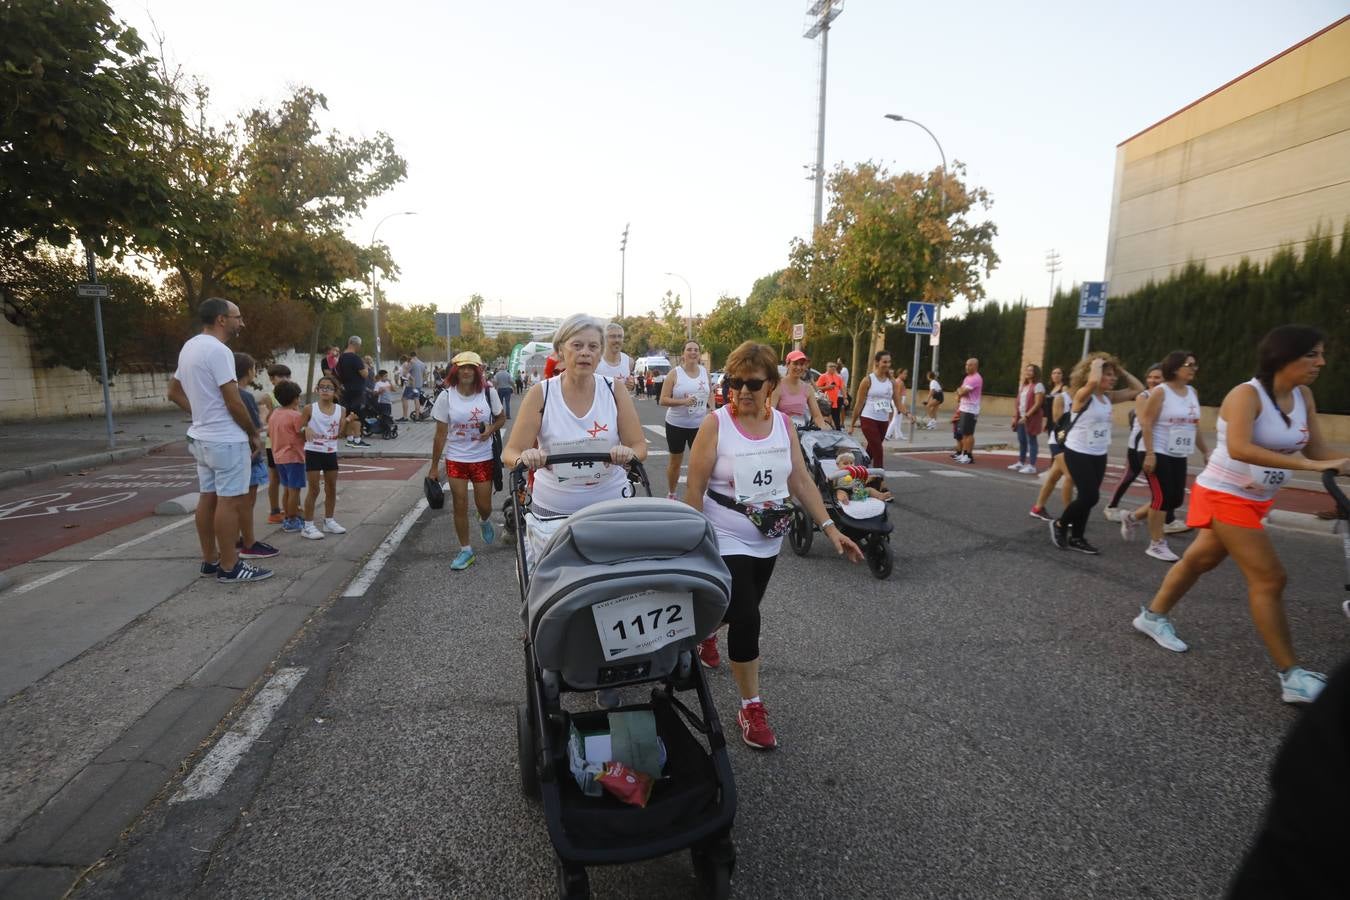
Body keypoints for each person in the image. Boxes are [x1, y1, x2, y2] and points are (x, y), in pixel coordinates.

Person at [1131, 326, 1348, 704]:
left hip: (1256, 497)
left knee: (1201, 559)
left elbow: (1319, 451)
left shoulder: (1303, 396)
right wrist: (1311, 468)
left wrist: (1339, 464)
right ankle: (1292, 676)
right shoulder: (1245, 395)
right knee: (1270, 578)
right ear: (1284, 356)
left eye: (1321, 354)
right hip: (1222, 493)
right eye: (1312, 354)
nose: (1321, 362)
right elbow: (1240, 448)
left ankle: (1152, 615)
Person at [685, 341, 863, 749]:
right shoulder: (716, 424)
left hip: (769, 536)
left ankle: (708, 631)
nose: (743, 391)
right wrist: (689, 544)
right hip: (724, 533)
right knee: (747, 617)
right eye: (735, 382)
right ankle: (751, 706)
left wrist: (830, 527)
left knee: (738, 609)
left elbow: (798, 479)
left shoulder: (783, 424)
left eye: (753, 383)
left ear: (770, 384)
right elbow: (694, 489)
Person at [503, 314, 649, 708]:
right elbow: (510, 453)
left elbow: (639, 447)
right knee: (561, 590)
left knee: (612, 588)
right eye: (578, 346)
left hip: (608, 503)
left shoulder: (613, 389)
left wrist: (626, 452)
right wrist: (528, 455)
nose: (585, 353)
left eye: (593, 347)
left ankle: (609, 668)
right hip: (555, 508)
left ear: (602, 353)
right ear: (561, 351)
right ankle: (554, 645)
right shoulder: (541, 394)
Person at [165, 298, 272, 583]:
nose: (242, 322)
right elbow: (233, 401)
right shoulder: (219, 351)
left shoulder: (190, 346)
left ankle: (210, 560)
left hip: (201, 437)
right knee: (231, 501)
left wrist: (199, 413)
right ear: (222, 319)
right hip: (226, 439)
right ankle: (230, 566)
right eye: (238, 317)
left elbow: (173, 391)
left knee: (208, 497)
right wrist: (252, 432)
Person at [1048, 354, 1144, 554]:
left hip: (1099, 453)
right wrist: (1096, 364)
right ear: (1095, 374)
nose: (1113, 378)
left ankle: (1077, 538)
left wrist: (1121, 370)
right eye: (1108, 374)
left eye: (1113, 375)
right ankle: (1060, 524)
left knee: (1086, 496)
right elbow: (1092, 382)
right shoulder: (1083, 395)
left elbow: (1138, 390)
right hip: (1078, 451)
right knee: (1090, 497)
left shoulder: (1107, 397)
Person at [1119, 352, 1210, 561]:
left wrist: (1205, 450)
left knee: (1175, 498)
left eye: (1195, 364)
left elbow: (1194, 425)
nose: (1194, 368)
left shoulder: (1192, 392)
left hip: (1178, 451)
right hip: (1155, 450)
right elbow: (1147, 423)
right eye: (1190, 365)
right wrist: (1150, 454)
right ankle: (1157, 544)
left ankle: (1132, 517)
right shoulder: (1160, 392)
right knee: (1161, 497)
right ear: (1176, 368)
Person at [429, 351, 506, 571]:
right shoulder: (446, 396)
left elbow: (501, 418)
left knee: (485, 506)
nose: (466, 371)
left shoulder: (488, 393)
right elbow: (440, 434)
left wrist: (490, 428)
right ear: (455, 370)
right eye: (462, 367)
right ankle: (466, 550)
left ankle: (483, 521)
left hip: (483, 458)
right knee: (459, 504)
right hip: (456, 458)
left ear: (477, 371)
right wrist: (434, 466)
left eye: (471, 368)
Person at [1103, 364, 1163, 523]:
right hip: (1139, 445)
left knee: (1157, 482)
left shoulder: (1168, 395)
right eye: (1150, 377)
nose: (1152, 380)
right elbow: (1145, 423)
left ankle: (1167, 517)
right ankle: (1112, 506)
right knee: (1131, 476)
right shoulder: (1145, 395)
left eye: (1157, 377)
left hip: (1157, 445)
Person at [233, 353, 278, 561]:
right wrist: (261, 418)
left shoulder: (221, 392)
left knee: (228, 500)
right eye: (253, 368)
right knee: (246, 502)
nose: (255, 372)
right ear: (247, 371)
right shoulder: (244, 396)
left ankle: (234, 538)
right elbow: (253, 425)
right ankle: (248, 542)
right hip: (247, 452)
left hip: (226, 450)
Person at [299, 374, 354, 541]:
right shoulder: (310, 408)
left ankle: (328, 521)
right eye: (322, 387)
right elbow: (299, 427)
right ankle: (308, 526)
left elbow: (340, 433)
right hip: (313, 450)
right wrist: (305, 429)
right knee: (314, 489)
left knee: (331, 487)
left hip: (330, 451)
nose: (325, 390)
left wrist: (348, 420)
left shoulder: (341, 410)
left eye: (329, 388)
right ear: (317, 390)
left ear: (335, 391)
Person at [660, 339, 713, 499]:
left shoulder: (705, 372)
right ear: (683, 354)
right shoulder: (674, 373)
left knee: (700, 462)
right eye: (689, 349)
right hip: (676, 424)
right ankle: (672, 493)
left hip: (699, 424)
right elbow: (663, 400)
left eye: (696, 350)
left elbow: (709, 393)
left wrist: (713, 410)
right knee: (676, 461)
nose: (693, 352)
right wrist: (683, 402)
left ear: (699, 354)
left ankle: (697, 494)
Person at [1029, 366, 1075, 520]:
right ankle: (1070, 517)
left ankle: (1037, 508)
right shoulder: (1063, 396)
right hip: (1060, 440)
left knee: (1054, 476)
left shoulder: (1086, 398)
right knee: (1071, 476)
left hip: (1068, 439)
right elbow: (1058, 422)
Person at [848, 351, 904, 468]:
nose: (887, 365)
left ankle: (860, 471)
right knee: (878, 449)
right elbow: (858, 404)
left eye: (889, 362)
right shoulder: (868, 380)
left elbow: (898, 402)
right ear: (877, 363)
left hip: (883, 421)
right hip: (868, 418)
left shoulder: (892, 382)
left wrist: (908, 413)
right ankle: (879, 480)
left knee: (871, 450)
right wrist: (852, 424)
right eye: (884, 362)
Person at [267, 380, 307, 533]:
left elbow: (270, 433)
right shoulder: (295, 416)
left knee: (287, 489)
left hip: (278, 456)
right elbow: (302, 434)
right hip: (294, 456)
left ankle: (288, 516)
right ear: (296, 398)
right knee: (294, 490)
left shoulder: (275, 414)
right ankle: (292, 519)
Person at [259, 363, 291, 524]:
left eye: (287, 376)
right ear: (272, 379)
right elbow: (264, 421)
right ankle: (274, 511)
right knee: (275, 478)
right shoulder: (268, 397)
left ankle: (291, 508)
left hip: (290, 443)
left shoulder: (292, 395)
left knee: (290, 478)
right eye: (281, 376)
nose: (285, 379)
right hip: (274, 444)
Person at [773, 349, 828, 431]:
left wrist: (825, 433)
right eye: (795, 364)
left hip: (801, 434)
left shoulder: (808, 388)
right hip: (781, 433)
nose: (799, 367)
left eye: (802, 364)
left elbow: (817, 416)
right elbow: (771, 413)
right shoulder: (777, 386)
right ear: (788, 365)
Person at [1009, 364, 1045, 474]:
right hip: (1021, 417)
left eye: (1031, 370)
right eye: (1027, 370)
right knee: (1022, 441)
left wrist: (1027, 416)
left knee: (1032, 441)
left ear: (1036, 373)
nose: (1028, 372)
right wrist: (1015, 417)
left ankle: (1032, 465)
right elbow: (1018, 402)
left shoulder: (1038, 386)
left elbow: (1038, 403)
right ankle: (1021, 462)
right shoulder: (1023, 386)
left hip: (1031, 417)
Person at [334, 336, 370, 447]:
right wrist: (366, 366)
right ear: (356, 345)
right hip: (357, 390)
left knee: (349, 413)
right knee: (358, 414)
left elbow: (337, 373)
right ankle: (358, 439)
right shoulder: (355, 358)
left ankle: (350, 439)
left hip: (346, 389)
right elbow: (364, 374)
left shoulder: (341, 358)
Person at [953, 358, 984, 464]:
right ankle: (964, 453)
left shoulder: (976, 378)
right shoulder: (967, 378)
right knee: (964, 433)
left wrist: (959, 392)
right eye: (966, 365)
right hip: (964, 408)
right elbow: (960, 392)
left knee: (968, 433)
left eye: (970, 365)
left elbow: (962, 392)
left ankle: (969, 455)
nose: (967, 367)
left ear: (975, 366)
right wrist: (960, 392)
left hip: (971, 409)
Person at [594, 322, 635, 395]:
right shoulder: (595, 360)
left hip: (621, 406)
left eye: (620, 336)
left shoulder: (629, 361)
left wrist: (631, 385)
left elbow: (629, 386)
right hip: (601, 405)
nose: (617, 340)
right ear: (604, 339)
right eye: (613, 336)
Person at [815, 361, 846, 430]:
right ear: (827, 368)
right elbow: (816, 388)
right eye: (831, 366)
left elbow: (842, 388)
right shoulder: (823, 376)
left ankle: (838, 431)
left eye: (834, 366)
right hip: (825, 401)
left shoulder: (839, 377)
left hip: (835, 401)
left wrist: (845, 398)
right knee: (825, 417)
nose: (833, 368)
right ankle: (822, 429)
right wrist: (827, 387)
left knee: (836, 417)